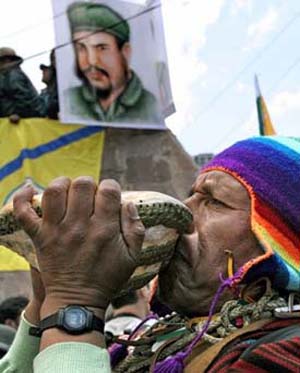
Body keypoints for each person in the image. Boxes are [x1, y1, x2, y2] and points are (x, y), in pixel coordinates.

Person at [1, 136, 299, 372]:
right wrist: (45, 303)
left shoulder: (289, 352)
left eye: (214, 202)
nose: (183, 212)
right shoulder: (159, 342)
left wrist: (74, 304)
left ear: (278, 244)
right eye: (191, 195)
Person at [64, 2, 162, 124]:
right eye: (82, 48)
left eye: (102, 48)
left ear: (125, 52)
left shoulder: (150, 106)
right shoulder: (69, 100)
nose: (92, 61)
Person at [0, 47, 45, 119]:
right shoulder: (7, 76)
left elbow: (22, 97)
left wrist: (19, 114)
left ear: (6, 60)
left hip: (25, 120)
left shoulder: (13, 74)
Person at [39, 50, 59, 119]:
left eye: (46, 69)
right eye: (53, 59)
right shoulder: (44, 93)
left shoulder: (60, 88)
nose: (43, 72)